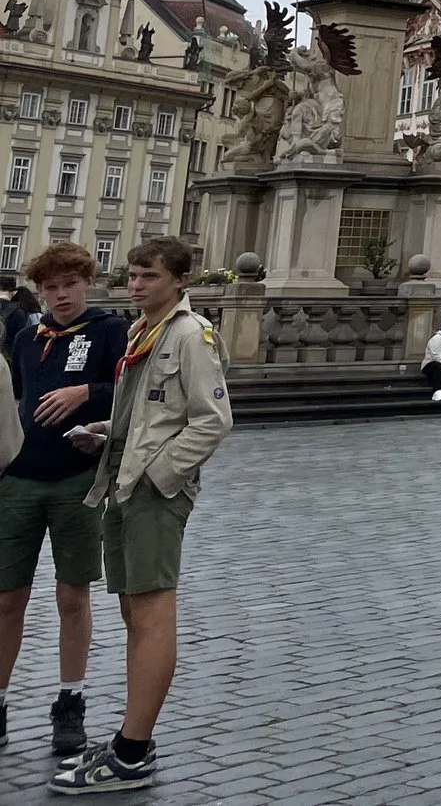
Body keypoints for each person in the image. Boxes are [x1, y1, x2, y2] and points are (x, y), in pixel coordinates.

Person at [49, 238, 229, 798]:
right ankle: (133, 737)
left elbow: (212, 419)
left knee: (151, 617)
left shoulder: (191, 334)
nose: (135, 285)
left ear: (180, 280)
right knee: (134, 614)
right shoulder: (142, 332)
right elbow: (148, 415)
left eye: (148, 276)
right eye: (131, 275)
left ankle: (131, 753)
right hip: (122, 484)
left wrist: (158, 473)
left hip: (152, 493)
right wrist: (104, 433)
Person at [0, 243, 125, 761]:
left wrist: (86, 393)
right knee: (6, 598)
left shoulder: (110, 330)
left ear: (87, 282)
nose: (60, 295)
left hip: (78, 480)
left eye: (69, 284)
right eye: (50, 288)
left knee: (72, 596)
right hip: (20, 478)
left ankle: (70, 701)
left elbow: (131, 393)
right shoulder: (27, 338)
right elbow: (14, 400)